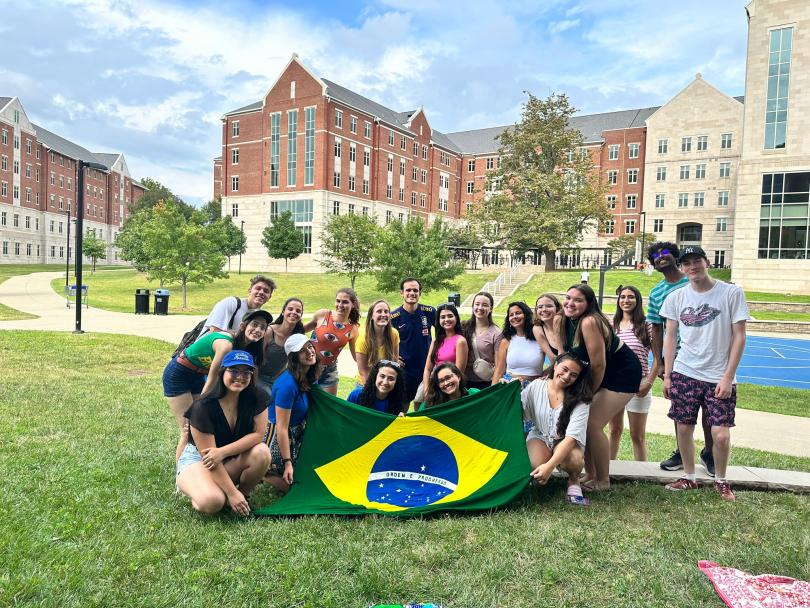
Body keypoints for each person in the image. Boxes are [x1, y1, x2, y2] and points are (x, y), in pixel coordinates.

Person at [661, 246, 749, 501]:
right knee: (684, 428)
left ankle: (721, 479)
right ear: (681, 267)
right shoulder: (676, 298)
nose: (692, 266)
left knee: (720, 434)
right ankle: (689, 477)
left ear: (707, 262)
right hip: (685, 372)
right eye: (686, 263)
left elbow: (739, 336)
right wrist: (668, 374)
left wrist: (728, 377)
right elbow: (669, 336)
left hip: (718, 376)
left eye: (696, 260)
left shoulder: (731, 293)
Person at [555, 283, 641, 491]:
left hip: (622, 375)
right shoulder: (565, 321)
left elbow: (599, 363)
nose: (571, 303)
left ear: (589, 304)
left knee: (592, 424)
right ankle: (591, 474)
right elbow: (564, 355)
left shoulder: (589, 322)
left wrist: (588, 392)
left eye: (578, 300)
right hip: (603, 374)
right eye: (568, 298)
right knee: (583, 422)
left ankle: (603, 480)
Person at [163, 309, 271, 461]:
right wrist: (198, 408)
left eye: (262, 327)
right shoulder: (226, 344)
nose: (258, 330)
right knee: (187, 429)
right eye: (255, 324)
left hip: (197, 374)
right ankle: (181, 474)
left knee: (198, 427)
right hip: (179, 373)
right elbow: (213, 377)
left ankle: (202, 464)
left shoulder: (244, 347)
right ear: (243, 325)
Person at [175, 350, 271, 517]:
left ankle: (243, 497)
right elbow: (210, 458)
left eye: (246, 372)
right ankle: (192, 484)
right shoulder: (203, 407)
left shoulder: (257, 396)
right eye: (234, 370)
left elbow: (258, 435)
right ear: (221, 372)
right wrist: (231, 493)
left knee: (262, 452)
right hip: (200, 459)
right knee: (213, 502)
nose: (240, 377)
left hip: (226, 455)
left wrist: (223, 452)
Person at [647, 241, 715, 475]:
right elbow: (656, 328)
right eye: (655, 256)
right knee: (681, 408)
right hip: (677, 359)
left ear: (676, 257)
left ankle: (710, 451)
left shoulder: (694, 281)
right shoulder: (656, 293)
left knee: (709, 406)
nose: (660, 257)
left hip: (705, 353)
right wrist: (660, 363)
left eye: (665, 252)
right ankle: (681, 450)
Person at [522, 352, 594, 506]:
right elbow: (520, 412)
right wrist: (509, 389)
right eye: (565, 369)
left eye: (574, 375)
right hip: (540, 436)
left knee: (573, 460)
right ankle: (541, 473)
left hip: (566, 440)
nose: (567, 376)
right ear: (554, 366)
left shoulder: (581, 400)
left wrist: (550, 466)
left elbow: (570, 439)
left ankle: (574, 480)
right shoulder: (536, 386)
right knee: (534, 463)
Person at [607, 285, 658, 461]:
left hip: (639, 384)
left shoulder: (647, 325)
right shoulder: (611, 325)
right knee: (614, 430)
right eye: (622, 297)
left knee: (637, 435)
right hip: (614, 385)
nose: (626, 300)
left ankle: (641, 473)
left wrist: (649, 383)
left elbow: (659, 359)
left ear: (638, 301)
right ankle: (608, 467)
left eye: (631, 297)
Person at [264, 334, 319, 493]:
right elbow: (281, 428)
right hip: (278, 436)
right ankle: (265, 473)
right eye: (302, 351)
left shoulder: (309, 375)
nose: (309, 352)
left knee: (311, 478)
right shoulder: (287, 385)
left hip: (297, 431)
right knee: (296, 489)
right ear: (294, 357)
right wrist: (287, 462)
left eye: (309, 346)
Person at [305, 288, 360, 396]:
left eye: (345, 302)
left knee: (328, 407)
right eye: (338, 301)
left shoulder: (353, 329)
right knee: (304, 406)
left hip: (329, 372)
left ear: (353, 304)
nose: (340, 305)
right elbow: (300, 331)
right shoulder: (323, 315)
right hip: (309, 367)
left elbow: (356, 357)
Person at [391, 278, 436, 405]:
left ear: (420, 293)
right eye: (408, 290)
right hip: (405, 371)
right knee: (401, 407)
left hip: (426, 369)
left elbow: (443, 334)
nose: (412, 293)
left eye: (415, 290)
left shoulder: (429, 312)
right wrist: (392, 356)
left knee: (423, 406)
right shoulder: (394, 317)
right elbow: (384, 340)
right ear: (402, 293)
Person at [258, 297, 305, 397]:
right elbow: (256, 360)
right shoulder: (269, 332)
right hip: (259, 377)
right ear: (283, 312)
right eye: (290, 309)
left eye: (298, 311)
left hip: (278, 379)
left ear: (301, 316)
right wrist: (253, 384)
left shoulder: (296, 337)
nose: (294, 312)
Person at [201, 275, 276, 334]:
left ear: (269, 297)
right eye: (258, 288)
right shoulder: (232, 303)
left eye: (266, 291)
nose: (261, 292)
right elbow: (214, 331)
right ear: (249, 291)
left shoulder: (259, 316)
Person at [492, 301, 543, 387]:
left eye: (518, 313)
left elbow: (554, 360)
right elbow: (499, 371)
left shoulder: (539, 338)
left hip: (534, 387)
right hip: (510, 386)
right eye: (511, 315)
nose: (514, 317)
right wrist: (492, 396)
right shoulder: (506, 341)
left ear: (526, 315)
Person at [423, 303, 468, 393]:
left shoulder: (460, 341)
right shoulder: (436, 341)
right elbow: (427, 369)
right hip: (434, 379)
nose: (446, 319)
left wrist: (443, 385)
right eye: (443, 317)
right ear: (438, 320)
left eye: (450, 316)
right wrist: (426, 390)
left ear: (456, 318)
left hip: (449, 384)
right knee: (418, 401)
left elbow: (458, 372)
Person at [462, 291, 503, 390]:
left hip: (485, 383)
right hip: (464, 382)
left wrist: (493, 389)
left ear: (491, 308)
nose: (480, 308)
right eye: (477, 304)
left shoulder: (496, 333)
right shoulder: (463, 327)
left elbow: (499, 366)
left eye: (485, 305)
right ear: (472, 307)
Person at [355, 300, 400, 386]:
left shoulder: (394, 334)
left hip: (386, 383)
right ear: (371, 316)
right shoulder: (363, 339)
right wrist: (374, 391)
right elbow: (363, 372)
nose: (383, 314)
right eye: (379, 311)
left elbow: (395, 362)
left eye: (386, 311)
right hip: (365, 384)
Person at [534, 293, 562, 365]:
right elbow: (552, 359)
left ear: (557, 308)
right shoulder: (538, 329)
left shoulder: (565, 324)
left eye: (549, 306)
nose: (544, 309)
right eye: (540, 307)